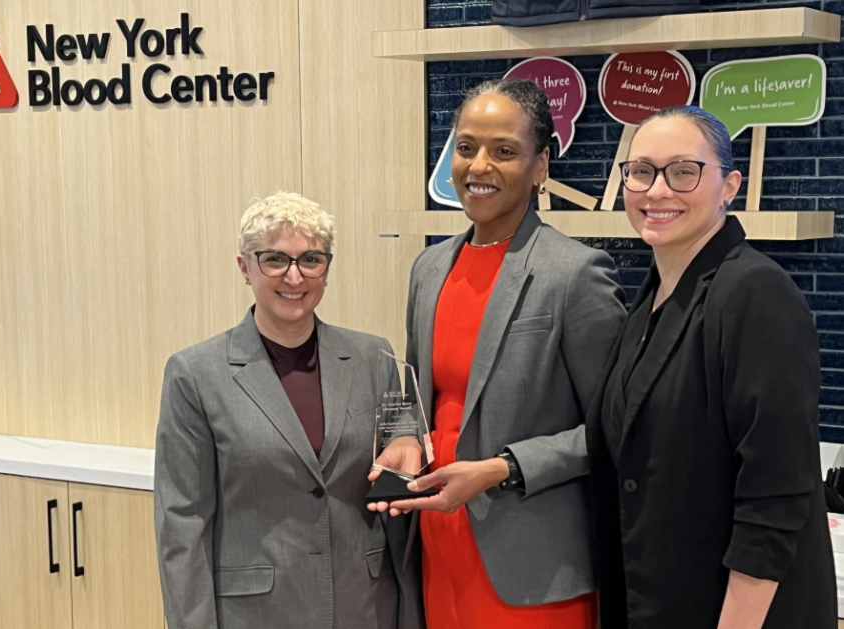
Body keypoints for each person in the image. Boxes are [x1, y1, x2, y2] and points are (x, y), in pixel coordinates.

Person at [369, 78, 627, 628]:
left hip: (532, 569)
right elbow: (416, 397)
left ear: (540, 166)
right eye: (466, 148)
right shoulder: (429, 268)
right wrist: (405, 438)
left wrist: (502, 468)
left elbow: (618, 428)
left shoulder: (576, 274)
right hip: (436, 550)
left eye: (504, 151)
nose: (478, 166)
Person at [586, 106, 837, 629]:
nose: (657, 191)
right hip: (659, 599)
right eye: (641, 171)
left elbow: (776, 495)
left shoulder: (756, 293)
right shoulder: (651, 298)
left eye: (683, 171)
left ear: (730, 185)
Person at [155, 191, 425, 629]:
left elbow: (399, 478)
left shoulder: (375, 358)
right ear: (245, 267)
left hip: (366, 607)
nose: (294, 277)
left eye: (310, 260)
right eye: (275, 260)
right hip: (255, 614)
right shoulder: (195, 374)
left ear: (327, 269)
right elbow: (182, 524)